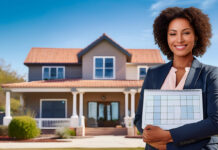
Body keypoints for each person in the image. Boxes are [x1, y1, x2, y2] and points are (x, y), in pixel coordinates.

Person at [134, 7, 218, 150]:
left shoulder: (211, 74)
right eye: (172, 34)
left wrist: (167, 139)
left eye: (186, 33)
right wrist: (153, 139)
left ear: (196, 36)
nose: (179, 39)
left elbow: (215, 122)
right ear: (165, 37)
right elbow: (140, 118)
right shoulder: (153, 73)